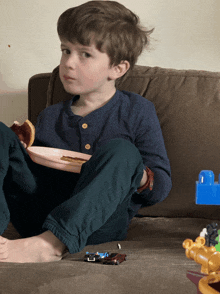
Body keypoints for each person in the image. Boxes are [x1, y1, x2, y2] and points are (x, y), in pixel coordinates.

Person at [0, 0, 172, 263]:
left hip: (99, 224)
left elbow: (159, 187)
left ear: (118, 68)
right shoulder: (51, 115)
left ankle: (52, 245)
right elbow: (38, 182)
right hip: (39, 216)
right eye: (65, 50)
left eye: (85, 54)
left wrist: (133, 172)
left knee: (123, 151)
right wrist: (23, 154)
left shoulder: (138, 110)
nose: (68, 63)